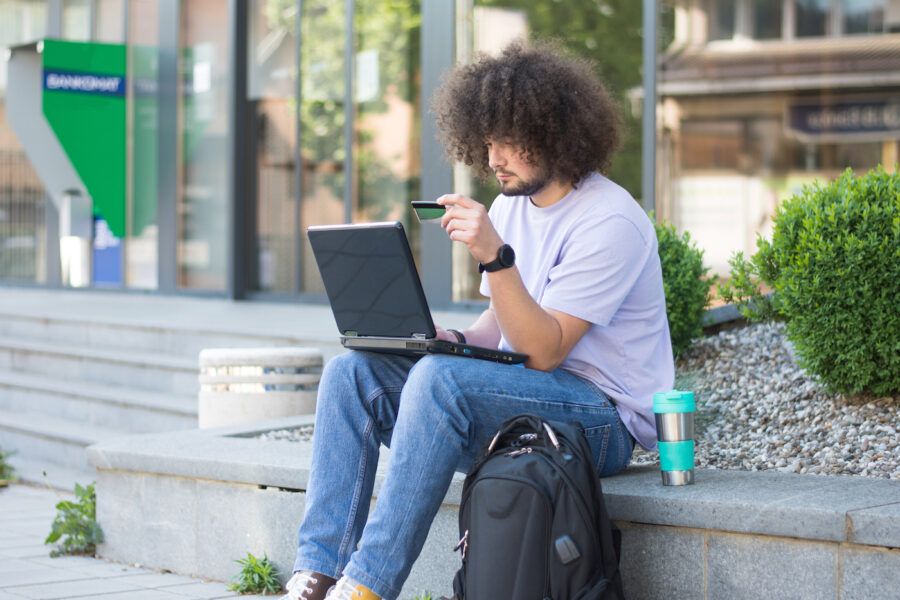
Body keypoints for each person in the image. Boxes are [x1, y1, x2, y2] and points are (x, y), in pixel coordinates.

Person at [282, 40, 674, 600]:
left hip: (599, 422)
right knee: (354, 374)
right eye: (487, 140)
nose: (494, 158)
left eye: (509, 141)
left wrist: (494, 254)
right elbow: (501, 325)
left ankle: (366, 586)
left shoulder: (610, 220)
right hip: (531, 397)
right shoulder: (515, 205)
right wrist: (453, 340)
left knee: (441, 382)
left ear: (554, 131)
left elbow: (546, 350)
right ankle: (317, 574)